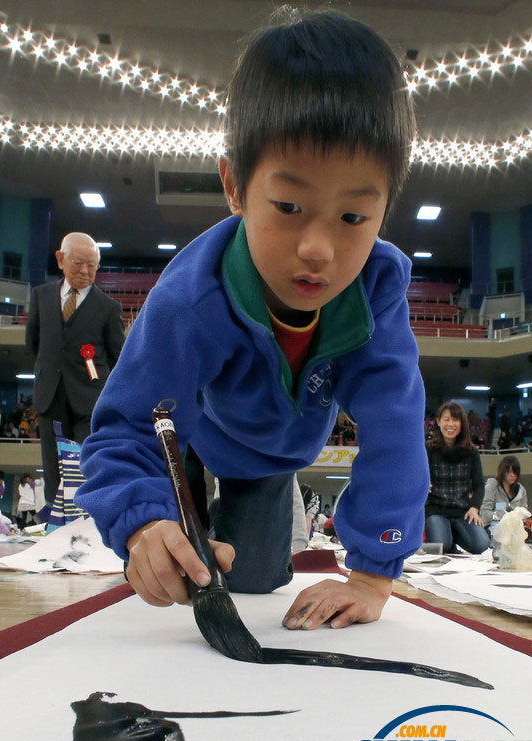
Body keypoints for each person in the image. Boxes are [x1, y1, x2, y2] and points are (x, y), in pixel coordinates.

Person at [77, 8, 428, 632]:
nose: (318, 248)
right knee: (170, 553)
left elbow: (395, 427)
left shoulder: (376, 290)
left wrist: (373, 574)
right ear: (235, 186)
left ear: (384, 210)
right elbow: (123, 425)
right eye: (289, 206)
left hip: (268, 454)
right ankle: (168, 507)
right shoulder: (189, 297)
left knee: (256, 578)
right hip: (182, 428)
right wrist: (141, 524)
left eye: (353, 218)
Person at [26, 232, 125, 505]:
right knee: (52, 467)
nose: (85, 270)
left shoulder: (108, 308)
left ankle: (88, 526)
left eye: (92, 265)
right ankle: (55, 530)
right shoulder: (40, 297)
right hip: (50, 396)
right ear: (60, 259)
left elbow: (118, 357)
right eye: (79, 262)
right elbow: (34, 344)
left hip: (90, 401)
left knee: (85, 465)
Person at [425, 401, 490, 554]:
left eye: (455, 419)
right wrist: (422, 482)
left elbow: (479, 485)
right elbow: (415, 474)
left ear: (462, 423)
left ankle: (452, 532)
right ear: (438, 421)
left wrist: (474, 508)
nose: (451, 424)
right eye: (446, 419)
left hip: (462, 510)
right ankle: (445, 534)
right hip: (436, 509)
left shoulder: (471, 452)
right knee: (442, 547)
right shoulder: (428, 448)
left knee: (481, 545)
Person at [479, 456, 532, 547]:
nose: (512, 475)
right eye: (509, 472)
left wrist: (520, 517)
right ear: (502, 472)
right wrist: (502, 517)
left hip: (515, 530)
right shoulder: (491, 487)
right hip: (493, 528)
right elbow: (484, 513)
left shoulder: (521, 491)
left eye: (515, 472)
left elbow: (524, 512)